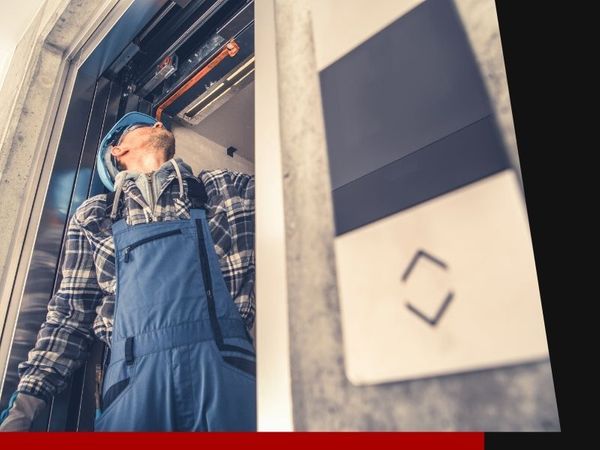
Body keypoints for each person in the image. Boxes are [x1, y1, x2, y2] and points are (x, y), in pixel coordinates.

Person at [0, 112, 256, 431]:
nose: (159, 125)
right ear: (116, 151)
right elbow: (71, 315)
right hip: (133, 387)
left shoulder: (226, 188)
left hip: (227, 371)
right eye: (145, 126)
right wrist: (26, 404)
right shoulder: (95, 217)